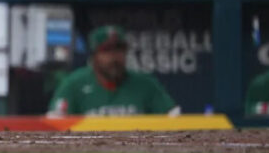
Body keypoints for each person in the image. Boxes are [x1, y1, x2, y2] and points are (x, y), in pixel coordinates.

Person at [48, 26, 179, 117]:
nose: (114, 56)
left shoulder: (146, 85)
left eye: (119, 49)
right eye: (107, 50)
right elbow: (55, 123)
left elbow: (173, 118)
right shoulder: (73, 85)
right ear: (94, 56)